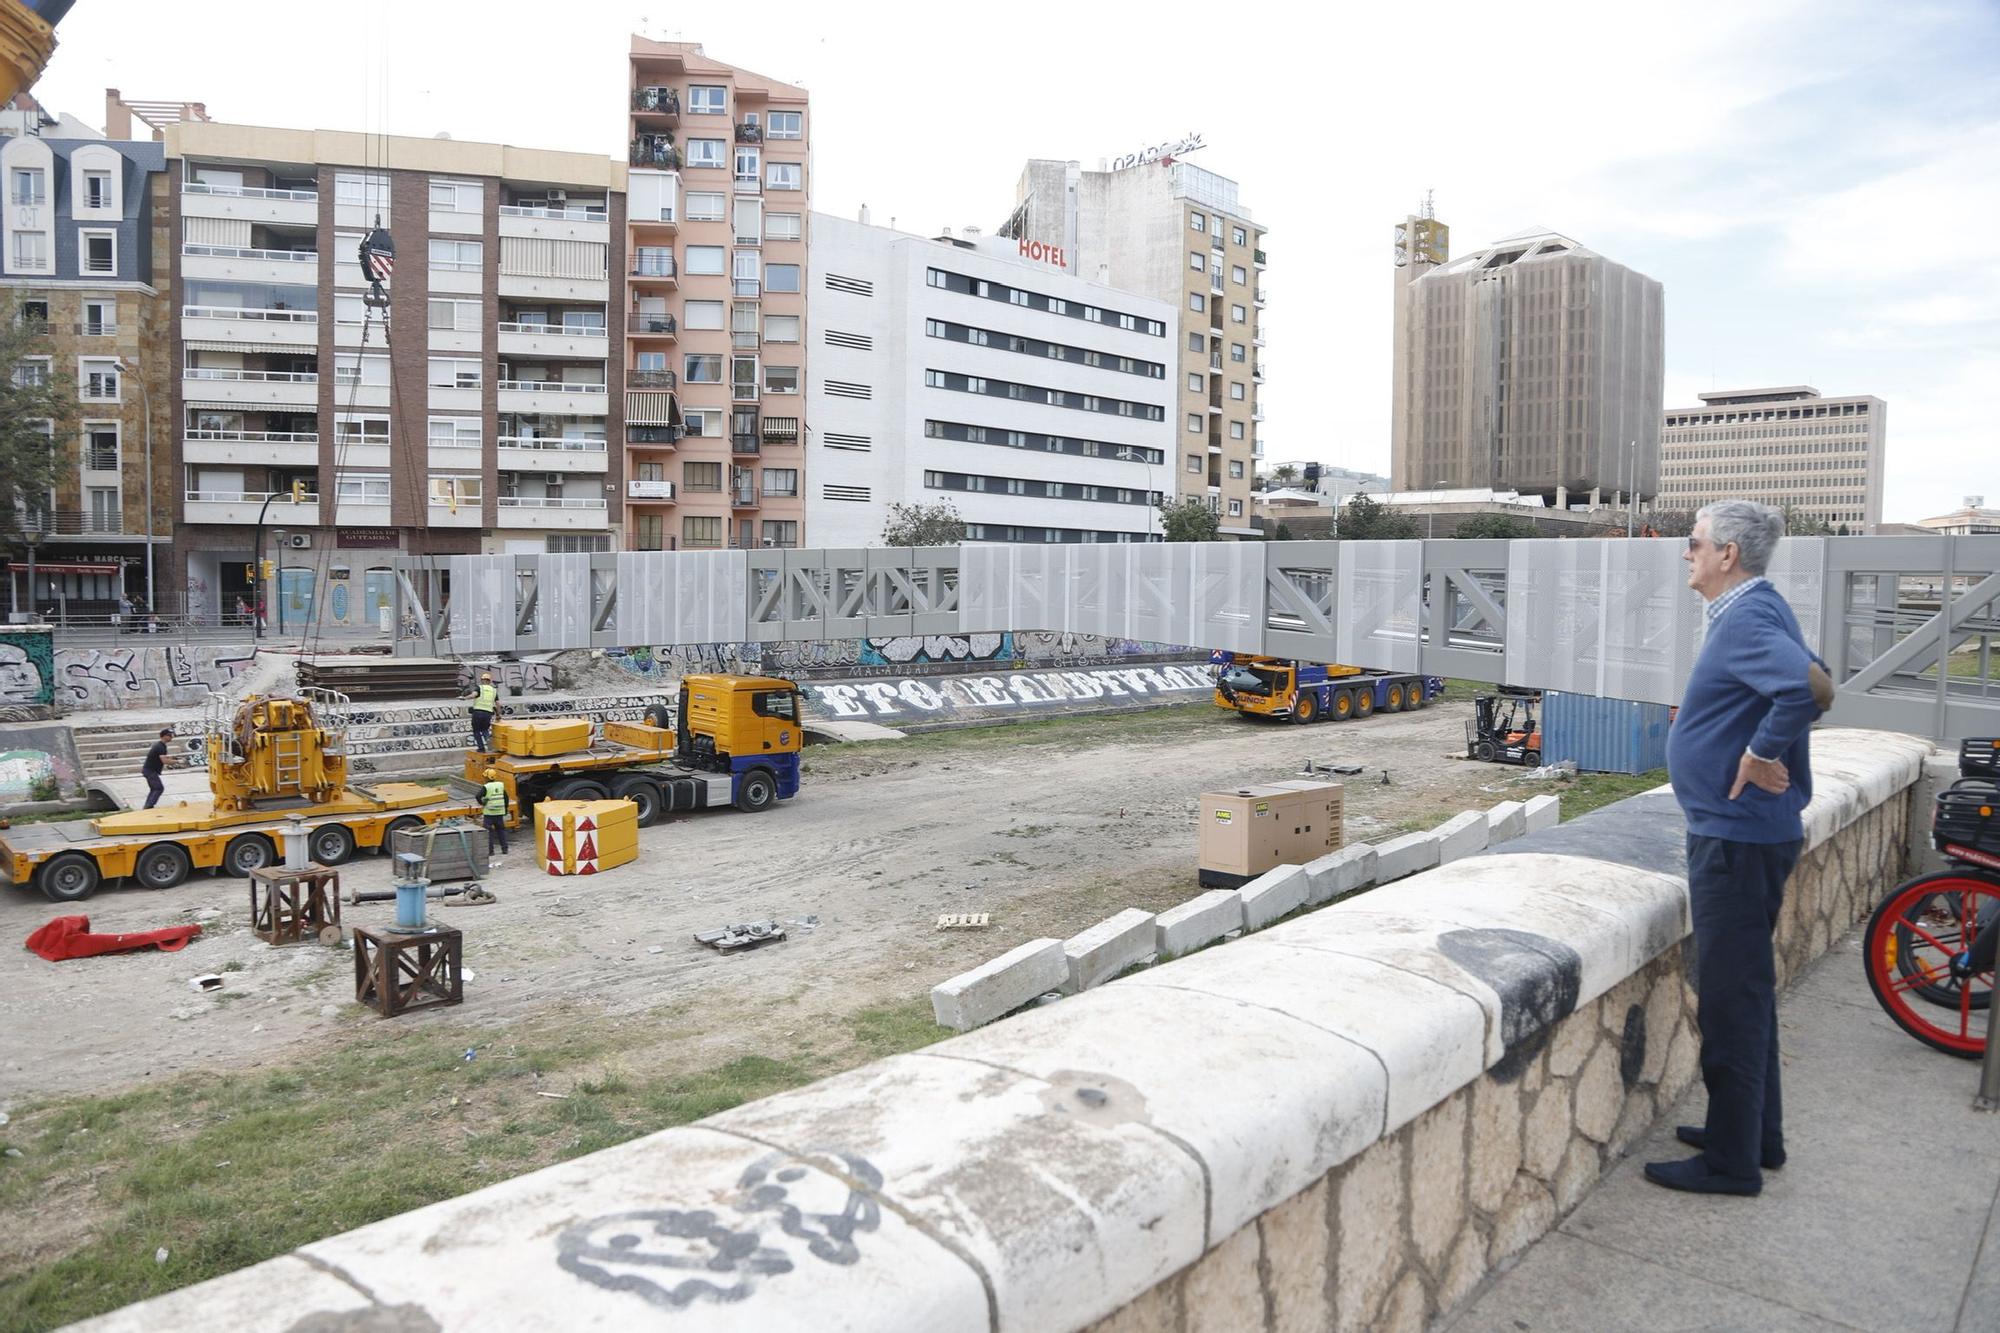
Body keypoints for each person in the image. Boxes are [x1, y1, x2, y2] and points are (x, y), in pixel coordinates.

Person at [1649, 499, 1830, 1198]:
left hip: (1736, 835)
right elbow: (1817, 680)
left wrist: (1757, 754)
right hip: (1751, 831)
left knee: (1730, 997)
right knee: (1747, 992)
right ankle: (1756, 1134)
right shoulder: (1761, 606)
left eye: (1693, 542)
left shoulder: (1750, 613)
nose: (1685, 552)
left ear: (1727, 553)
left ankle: (1732, 1161)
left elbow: (1803, 688)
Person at [480, 766, 510, 860]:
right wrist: (505, 808)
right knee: (501, 830)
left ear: (487, 777)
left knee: (488, 832)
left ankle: (490, 851)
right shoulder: (500, 785)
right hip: (499, 813)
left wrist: (482, 802)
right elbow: (506, 797)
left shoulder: (486, 787)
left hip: (489, 814)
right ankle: (505, 849)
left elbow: (477, 796)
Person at [141, 727, 174, 810]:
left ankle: (148, 805)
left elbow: (162, 757)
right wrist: (178, 761)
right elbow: (165, 761)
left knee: (154, 788)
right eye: (169, 735)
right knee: (159, 788)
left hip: (149, 770)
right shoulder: (160, 747)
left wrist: (171, 758)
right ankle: (148, 806)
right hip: (150, 771)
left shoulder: (161, 746)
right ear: (164, 736)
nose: (171, 737)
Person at [467, 671, 500, 752]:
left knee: (476, 730)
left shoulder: (479, 688)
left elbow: (473, 695)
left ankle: (481, 748)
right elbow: (498, 704)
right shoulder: (493, 690)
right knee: (485, 730)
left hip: (478, 713)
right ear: (489, 681)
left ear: (482, 680)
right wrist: (498, 714)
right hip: (488, 713)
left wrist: (464, 698)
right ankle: (488, 741)